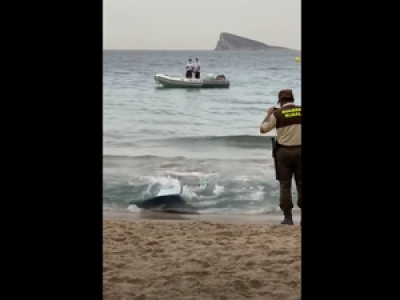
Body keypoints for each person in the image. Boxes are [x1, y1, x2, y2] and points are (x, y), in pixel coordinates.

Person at [259, 89, 301, 225]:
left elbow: (262, 129)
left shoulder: (277, 114)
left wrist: (268, 114)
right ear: (293, 99)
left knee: (285, 184)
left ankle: (288, 217)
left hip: (283, 153)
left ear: (280, 101)